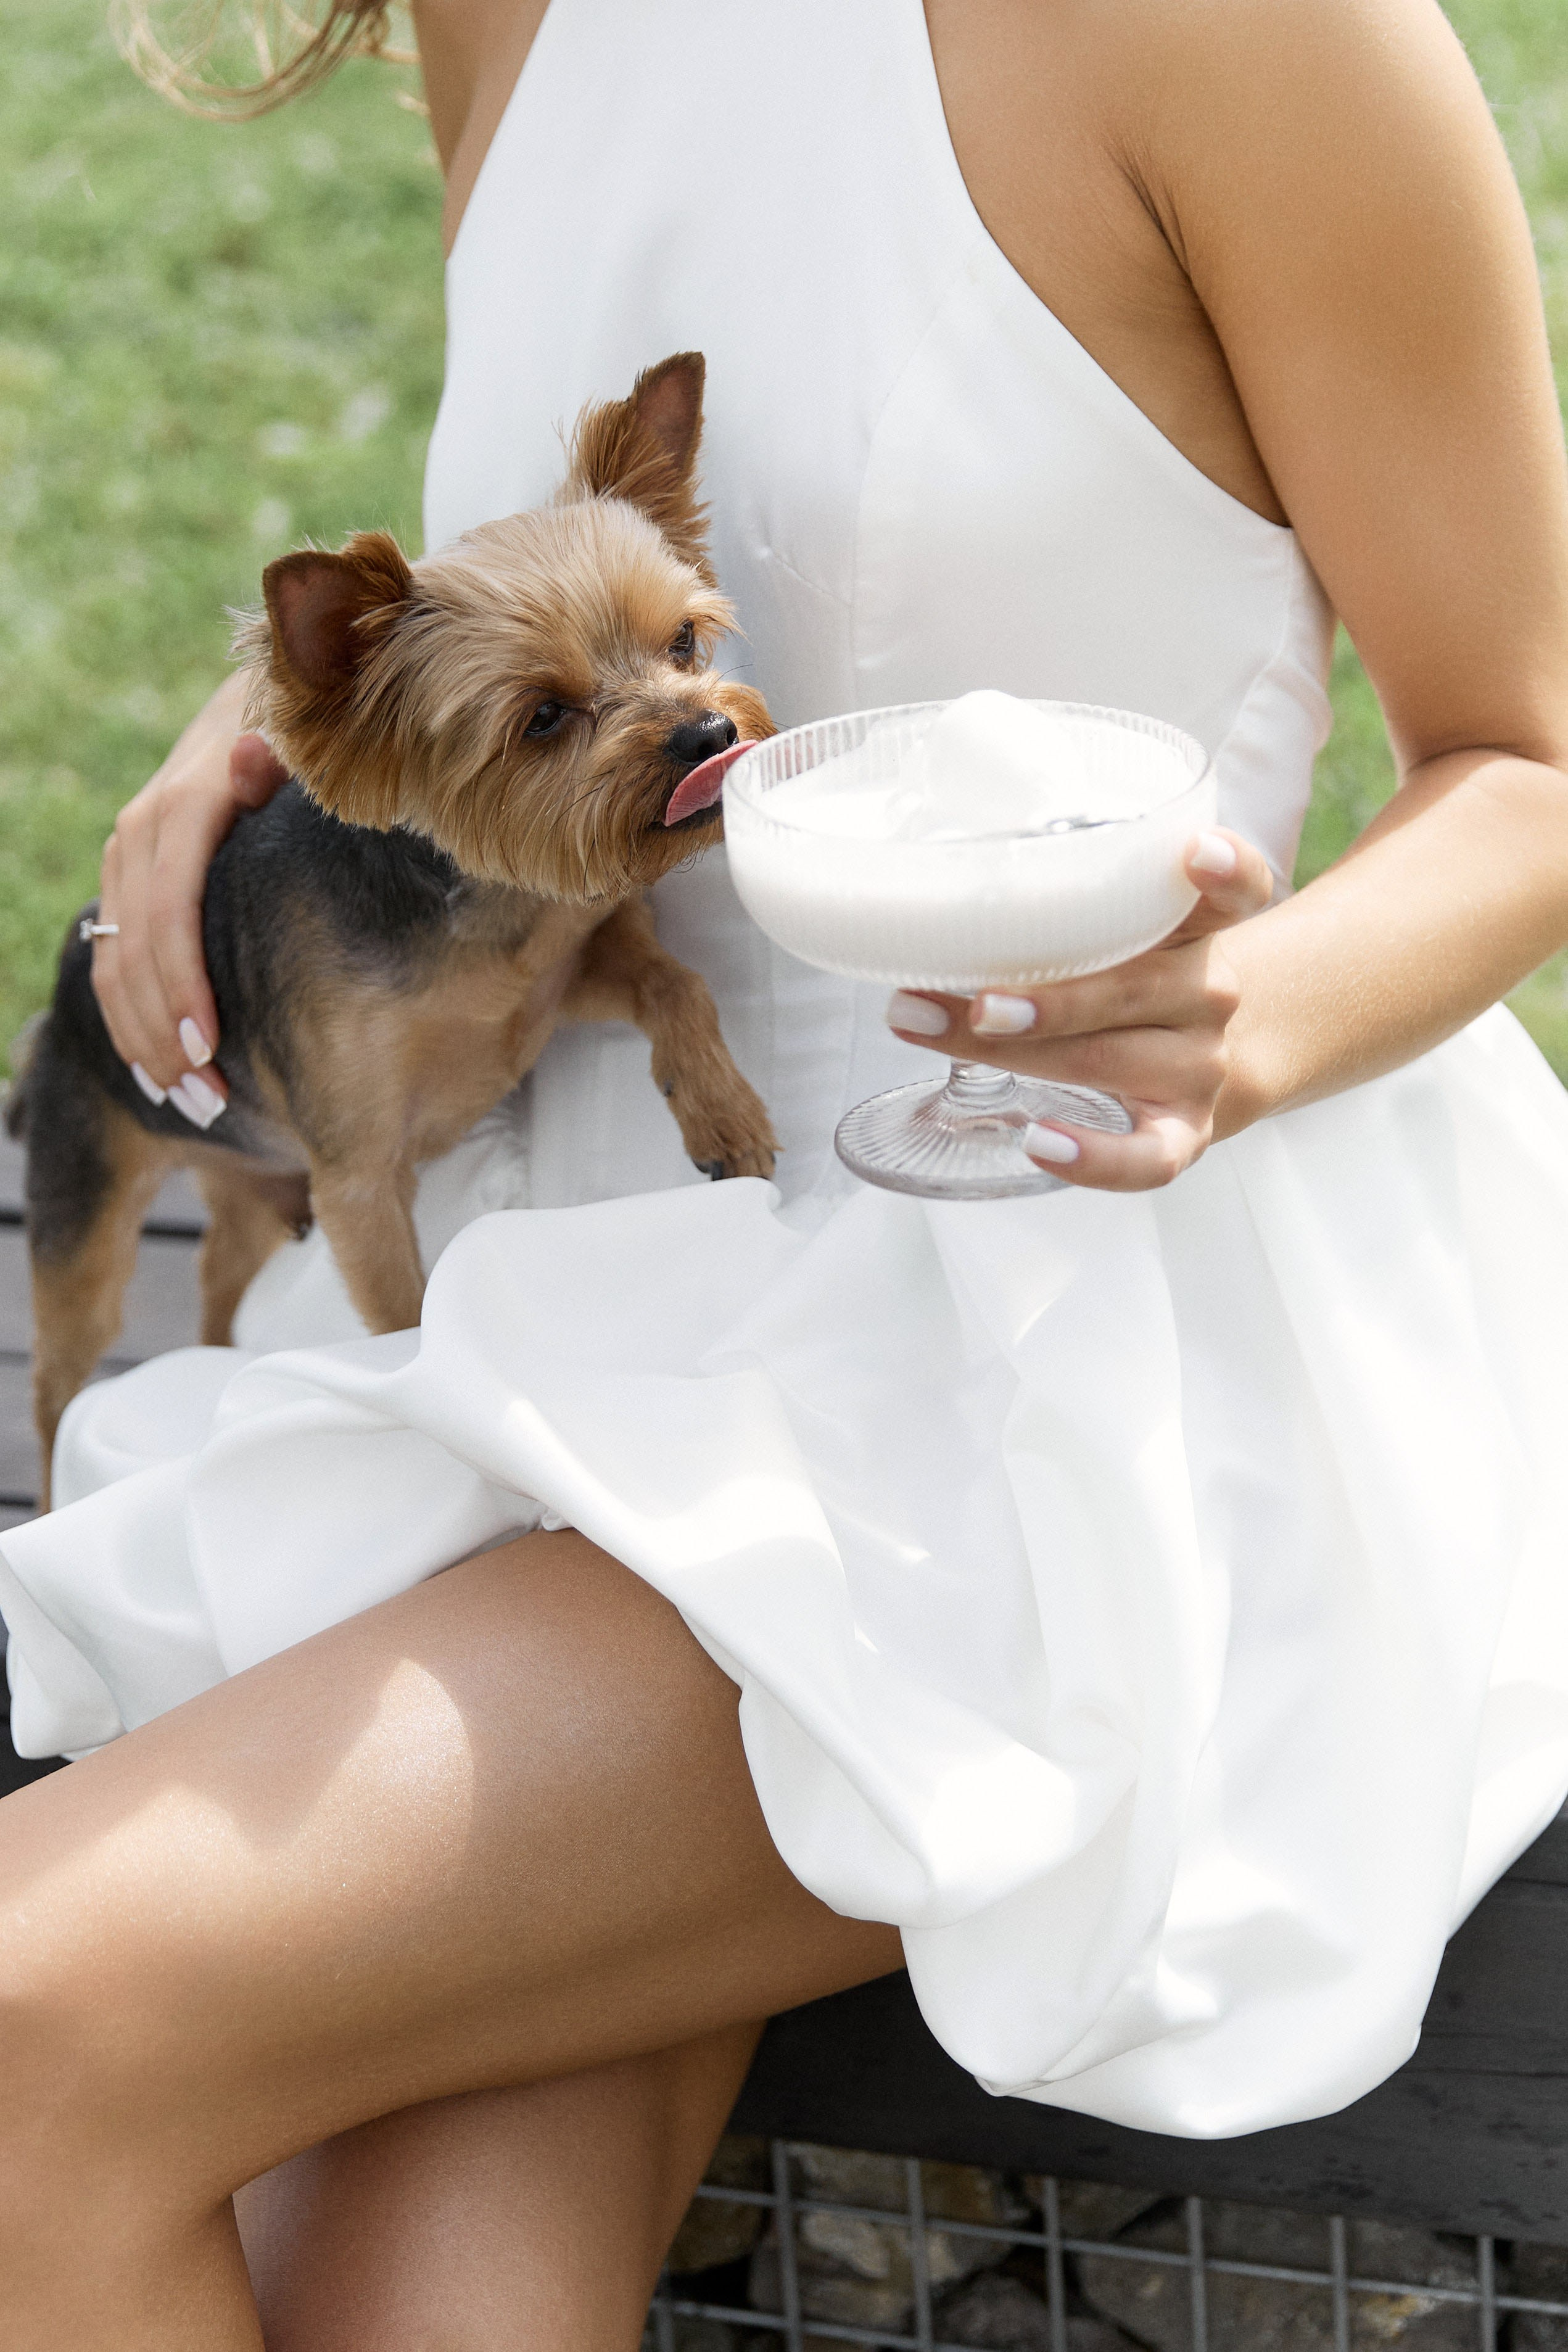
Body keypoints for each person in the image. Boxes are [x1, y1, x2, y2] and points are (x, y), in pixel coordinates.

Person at [2, 0, 1568, 2342]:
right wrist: (276, 710)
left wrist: (1237, 1036)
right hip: (564, 1286)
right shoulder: (502, 12)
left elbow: (1528, 757)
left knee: (41, 2026)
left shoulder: (1247, 30)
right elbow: (573, 541)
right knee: (416, 2298)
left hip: (1041, 1315)